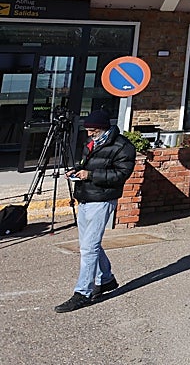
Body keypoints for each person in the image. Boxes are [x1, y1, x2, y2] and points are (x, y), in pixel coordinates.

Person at [54, 108, 136, 313]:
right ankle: (106, 279)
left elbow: (120, 175)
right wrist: (77, 171)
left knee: (89, 248)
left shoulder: (123, 147)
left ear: (102, 128)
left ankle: (83, 292)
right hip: (85, 196)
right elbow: (86, 165)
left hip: (102, 199)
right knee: (88, 244)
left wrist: (89, 175)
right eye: (88, 130)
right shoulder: (92, 142)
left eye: (92, 130)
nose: (89, 133)